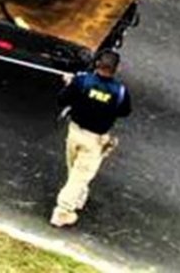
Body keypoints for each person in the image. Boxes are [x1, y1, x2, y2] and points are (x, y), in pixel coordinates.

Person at [50, 50, 132, 227]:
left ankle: (78, 197)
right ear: (117, 68)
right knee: (80, 175)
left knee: (74, 168)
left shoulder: (82, 81)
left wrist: (70, 85)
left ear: (96, 64)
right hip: (95, 140)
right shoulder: (120, 91)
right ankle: (63, 212)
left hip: (75, 132)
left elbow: (62, 100)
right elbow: (125, 111)